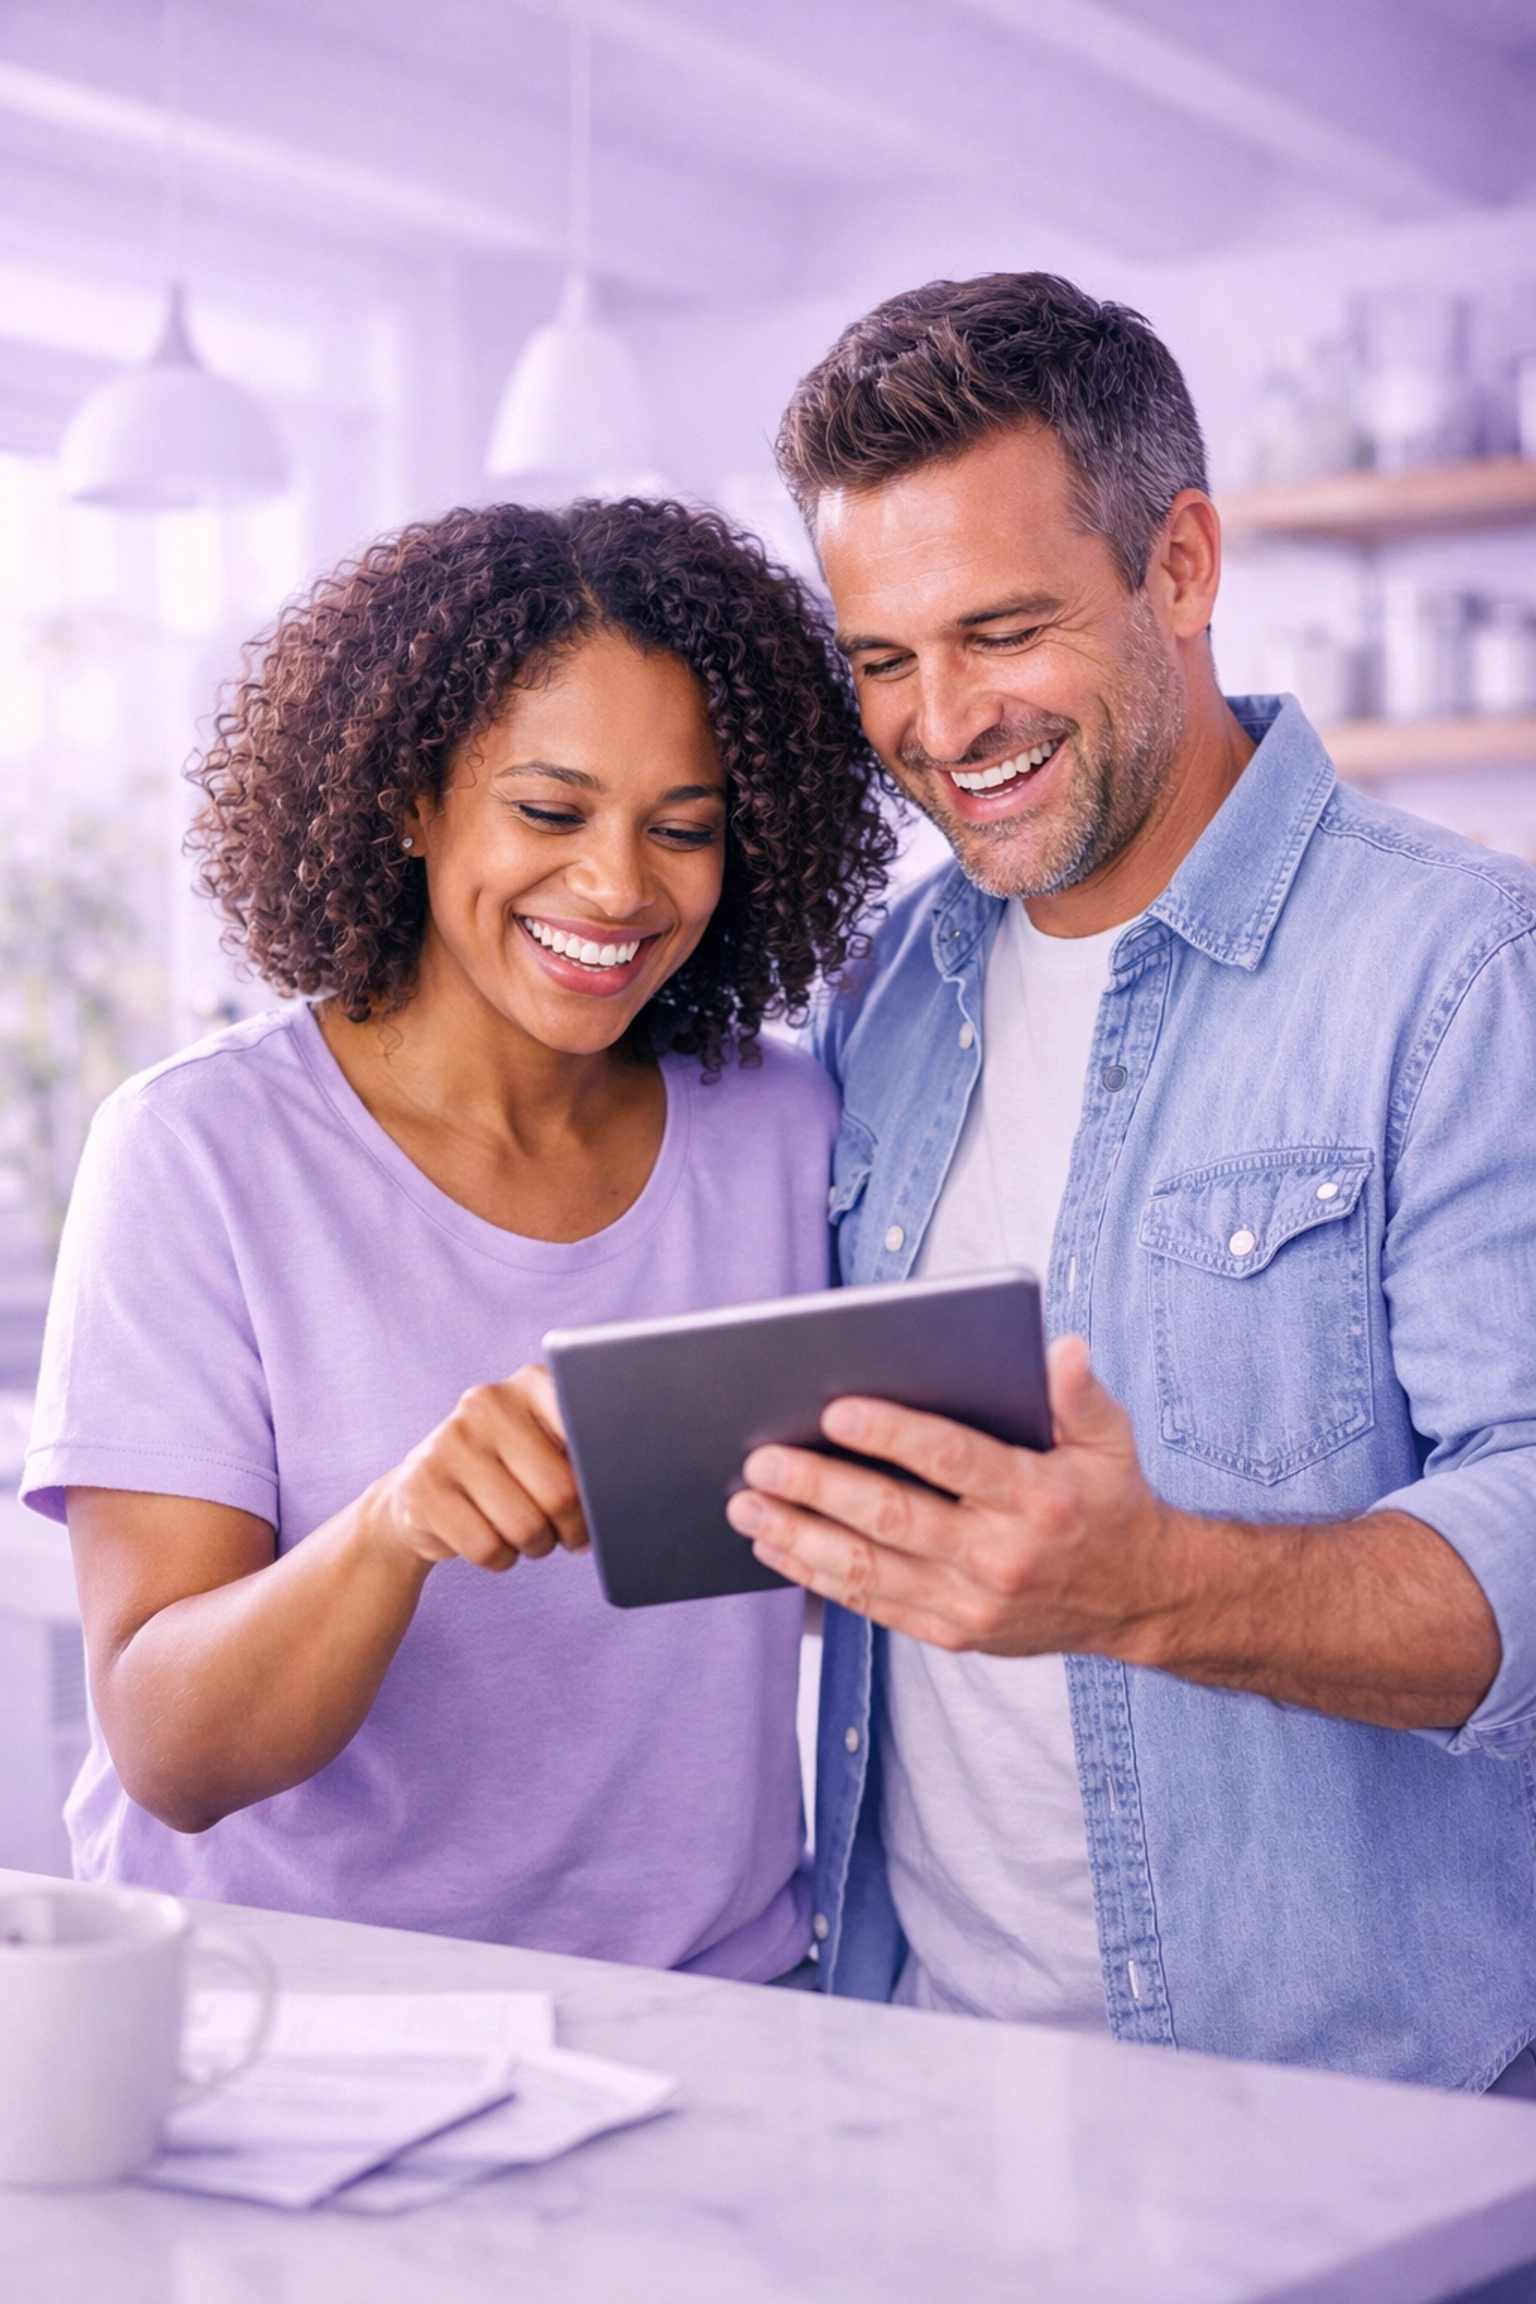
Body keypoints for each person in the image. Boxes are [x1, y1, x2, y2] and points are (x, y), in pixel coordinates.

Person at [725, 272, 1536, 2090]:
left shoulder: (1469, 970)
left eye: (1001, 631)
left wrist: (1148, 1584)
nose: (940, 724)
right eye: (880, 660)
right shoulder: (886, 996)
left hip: (1343, 2126)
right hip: (927, 2080)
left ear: (1180, 566)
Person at [23, 497, 891, 1983]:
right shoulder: (201, 1153)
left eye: (682, 829)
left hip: (731, 2013)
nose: (618, 887)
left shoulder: (786, 1125)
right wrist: (394, 1529)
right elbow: (170, 1749)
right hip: (307, 2028)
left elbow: (814, 1581)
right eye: (550, 813)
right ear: (414, 798)